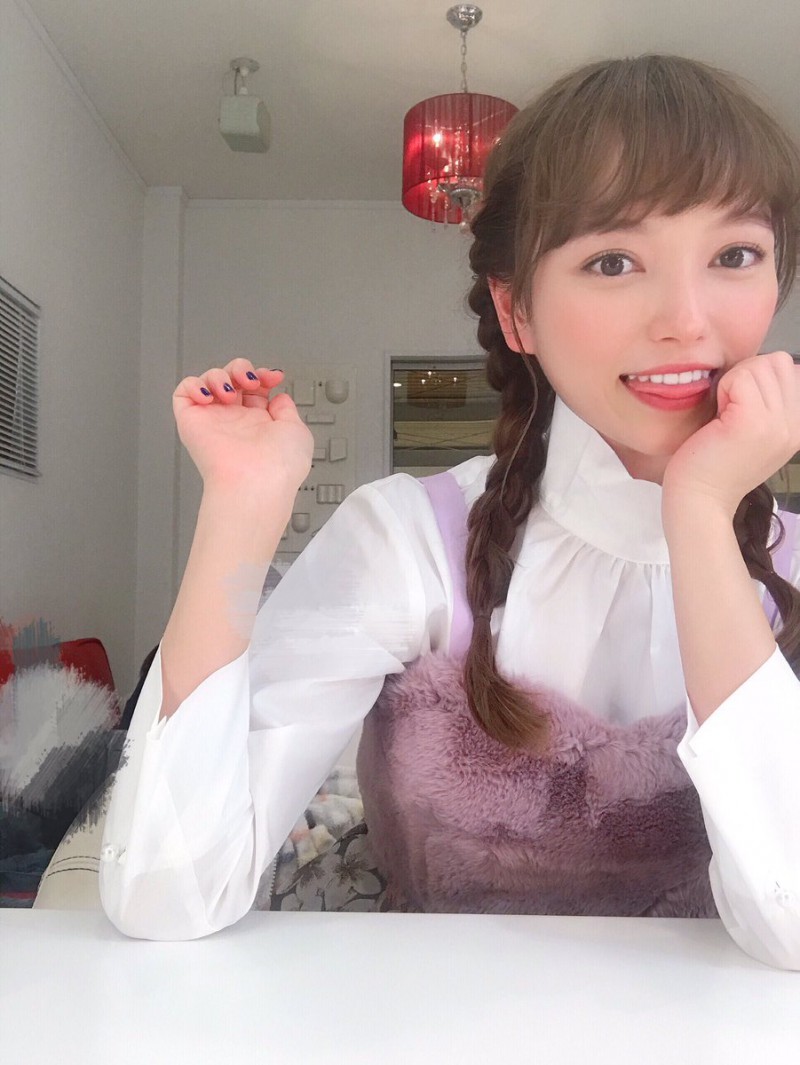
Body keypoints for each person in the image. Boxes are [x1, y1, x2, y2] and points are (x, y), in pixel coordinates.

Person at [99, 54, 800, 969]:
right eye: (614, 260)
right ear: (517, 313)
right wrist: (240, 506)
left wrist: (700, 513)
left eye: (735, 255)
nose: (687, 318)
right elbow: (165, 895)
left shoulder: (786, 564)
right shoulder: (407, 540)